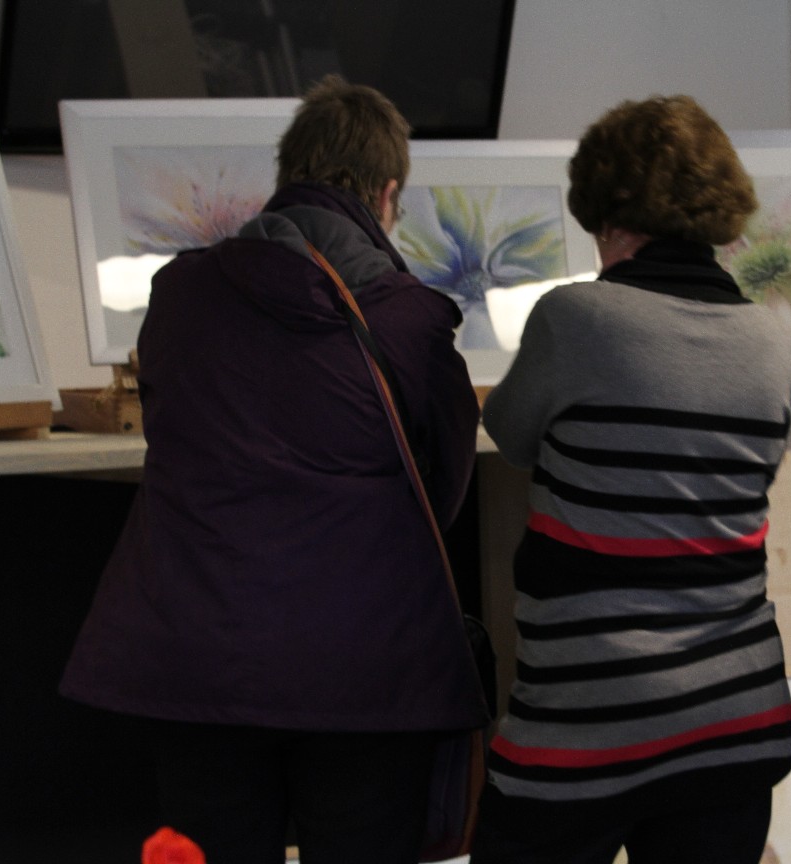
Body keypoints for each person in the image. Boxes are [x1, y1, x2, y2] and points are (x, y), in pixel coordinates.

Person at [60, 75, 489, 864]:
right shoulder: (410, 321)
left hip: (200, 664)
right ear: (387, 194)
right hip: (365, 670)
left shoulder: (179, 295)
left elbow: (170, 433)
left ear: (288, 176)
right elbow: (443, 491)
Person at [472, 94, 791, 864]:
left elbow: (510, 434)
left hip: (591, 718)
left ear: (612, 215)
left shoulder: (577, 319)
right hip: (733, 718)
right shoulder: (770, 338)